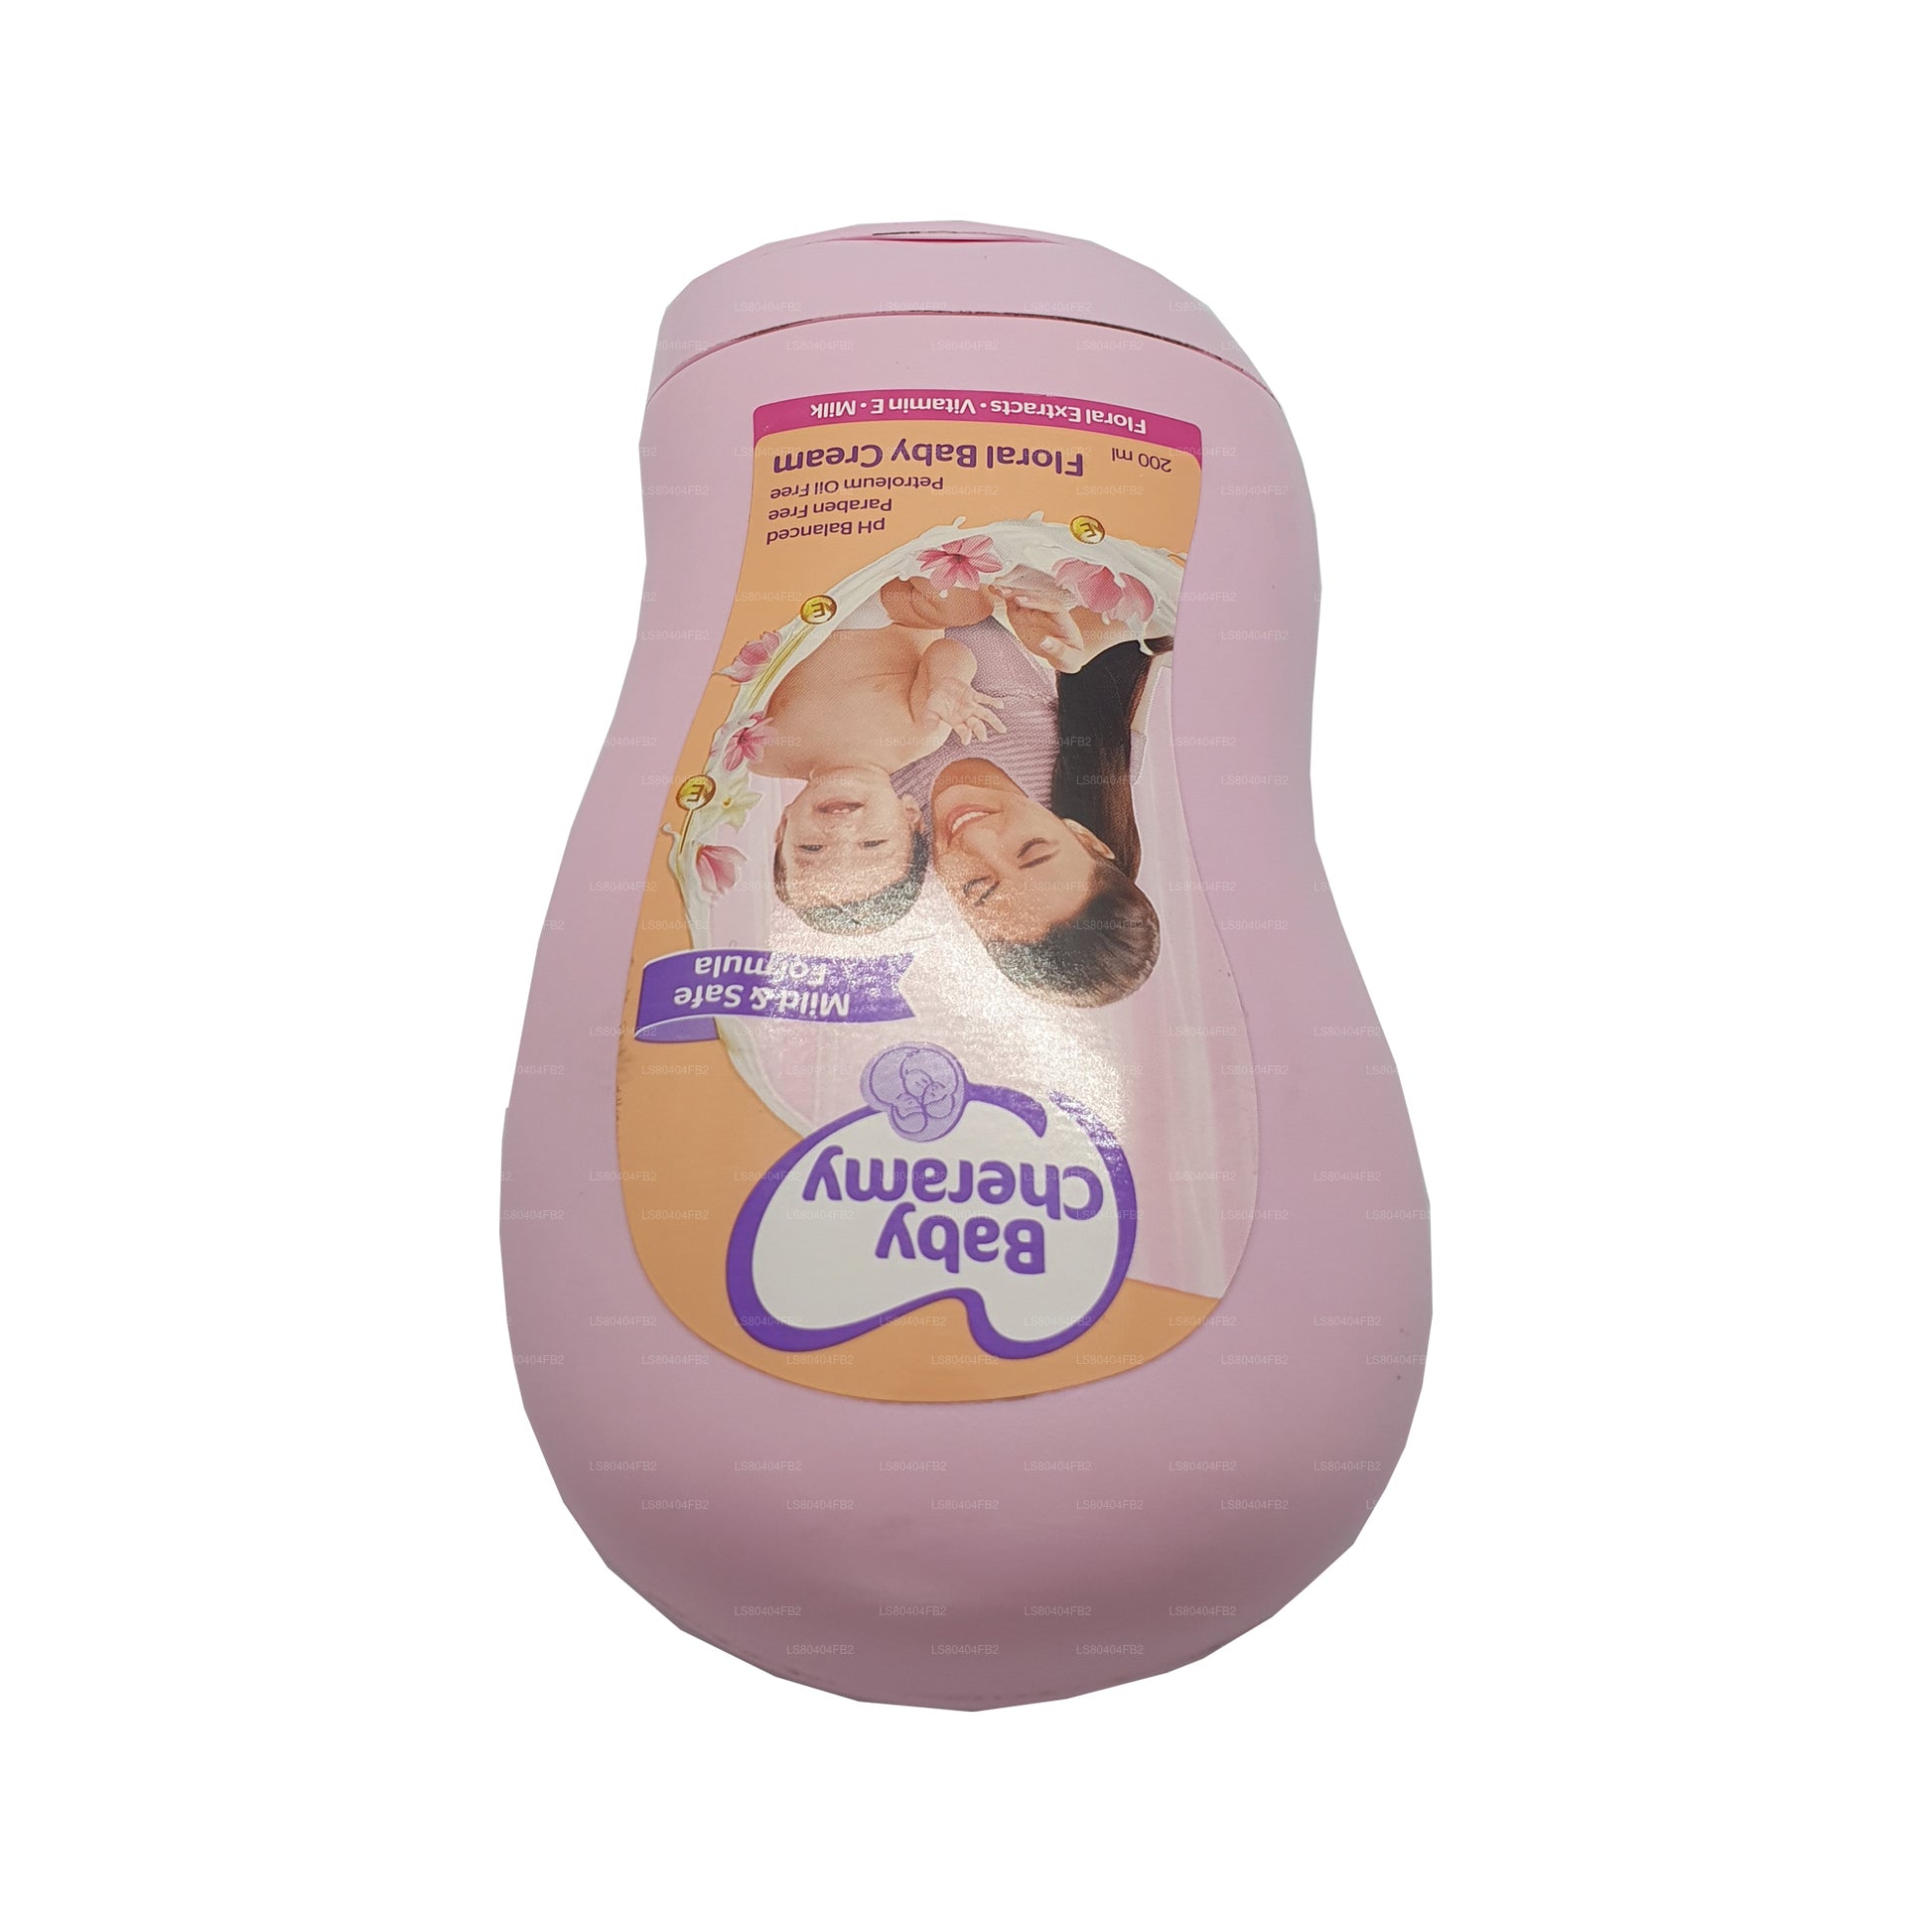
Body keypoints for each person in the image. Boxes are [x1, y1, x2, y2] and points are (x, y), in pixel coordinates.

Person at [752, 574, 1005, 930]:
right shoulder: (919, 732)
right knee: (966, 606)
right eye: (871, 843)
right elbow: (947, 650)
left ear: (783, 825)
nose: (841, 829)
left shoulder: (763, 753)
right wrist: (949, 682)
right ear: (911, 815)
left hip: (796, 621)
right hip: (885, 608)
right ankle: (903, 551)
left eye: (811, 849)